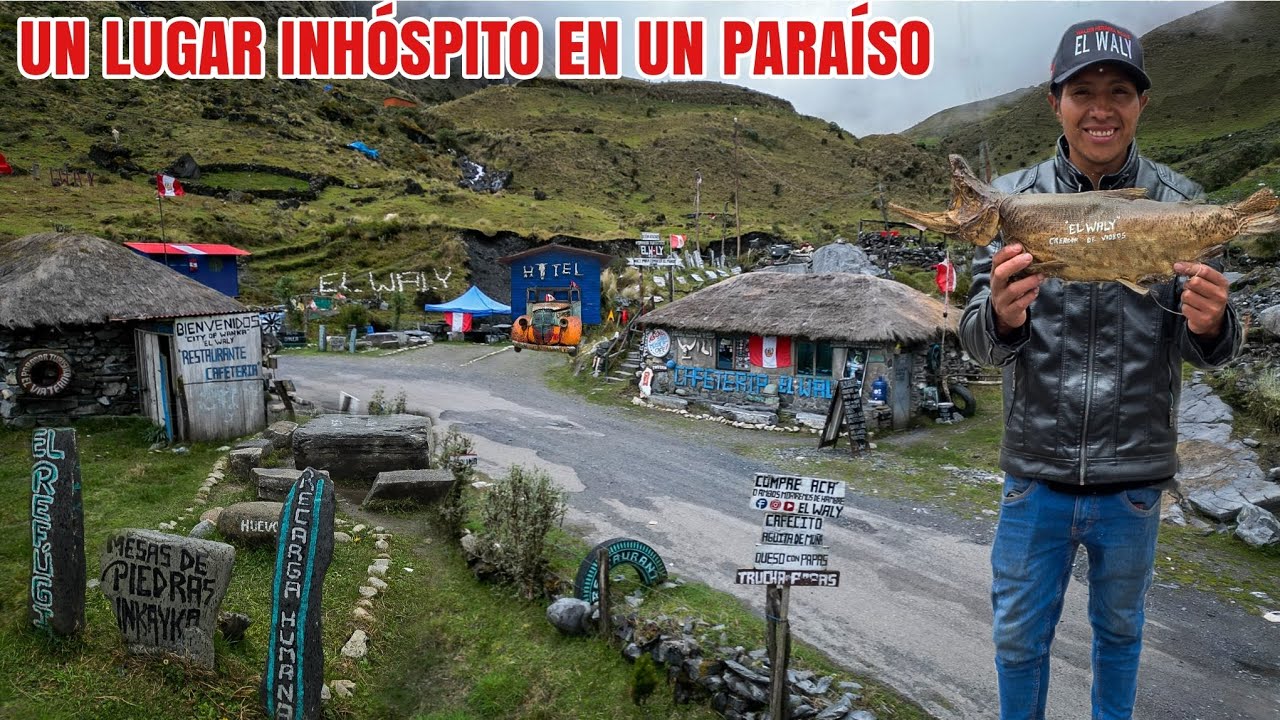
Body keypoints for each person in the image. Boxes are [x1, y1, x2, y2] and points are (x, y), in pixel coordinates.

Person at [958, 19, 1244, 720]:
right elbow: (973, 341)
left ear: (1141, 103)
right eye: (1082, 91)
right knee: (1019, 642)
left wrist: (1212, 322)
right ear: (1055, 100)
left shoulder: (1182, 204)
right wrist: (1000, 316)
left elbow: (1214, 343)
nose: (1101, 107)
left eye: (1119, 90)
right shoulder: (1010, 201)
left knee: (1120, 638)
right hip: (1035, 478)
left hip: (1134, 485)